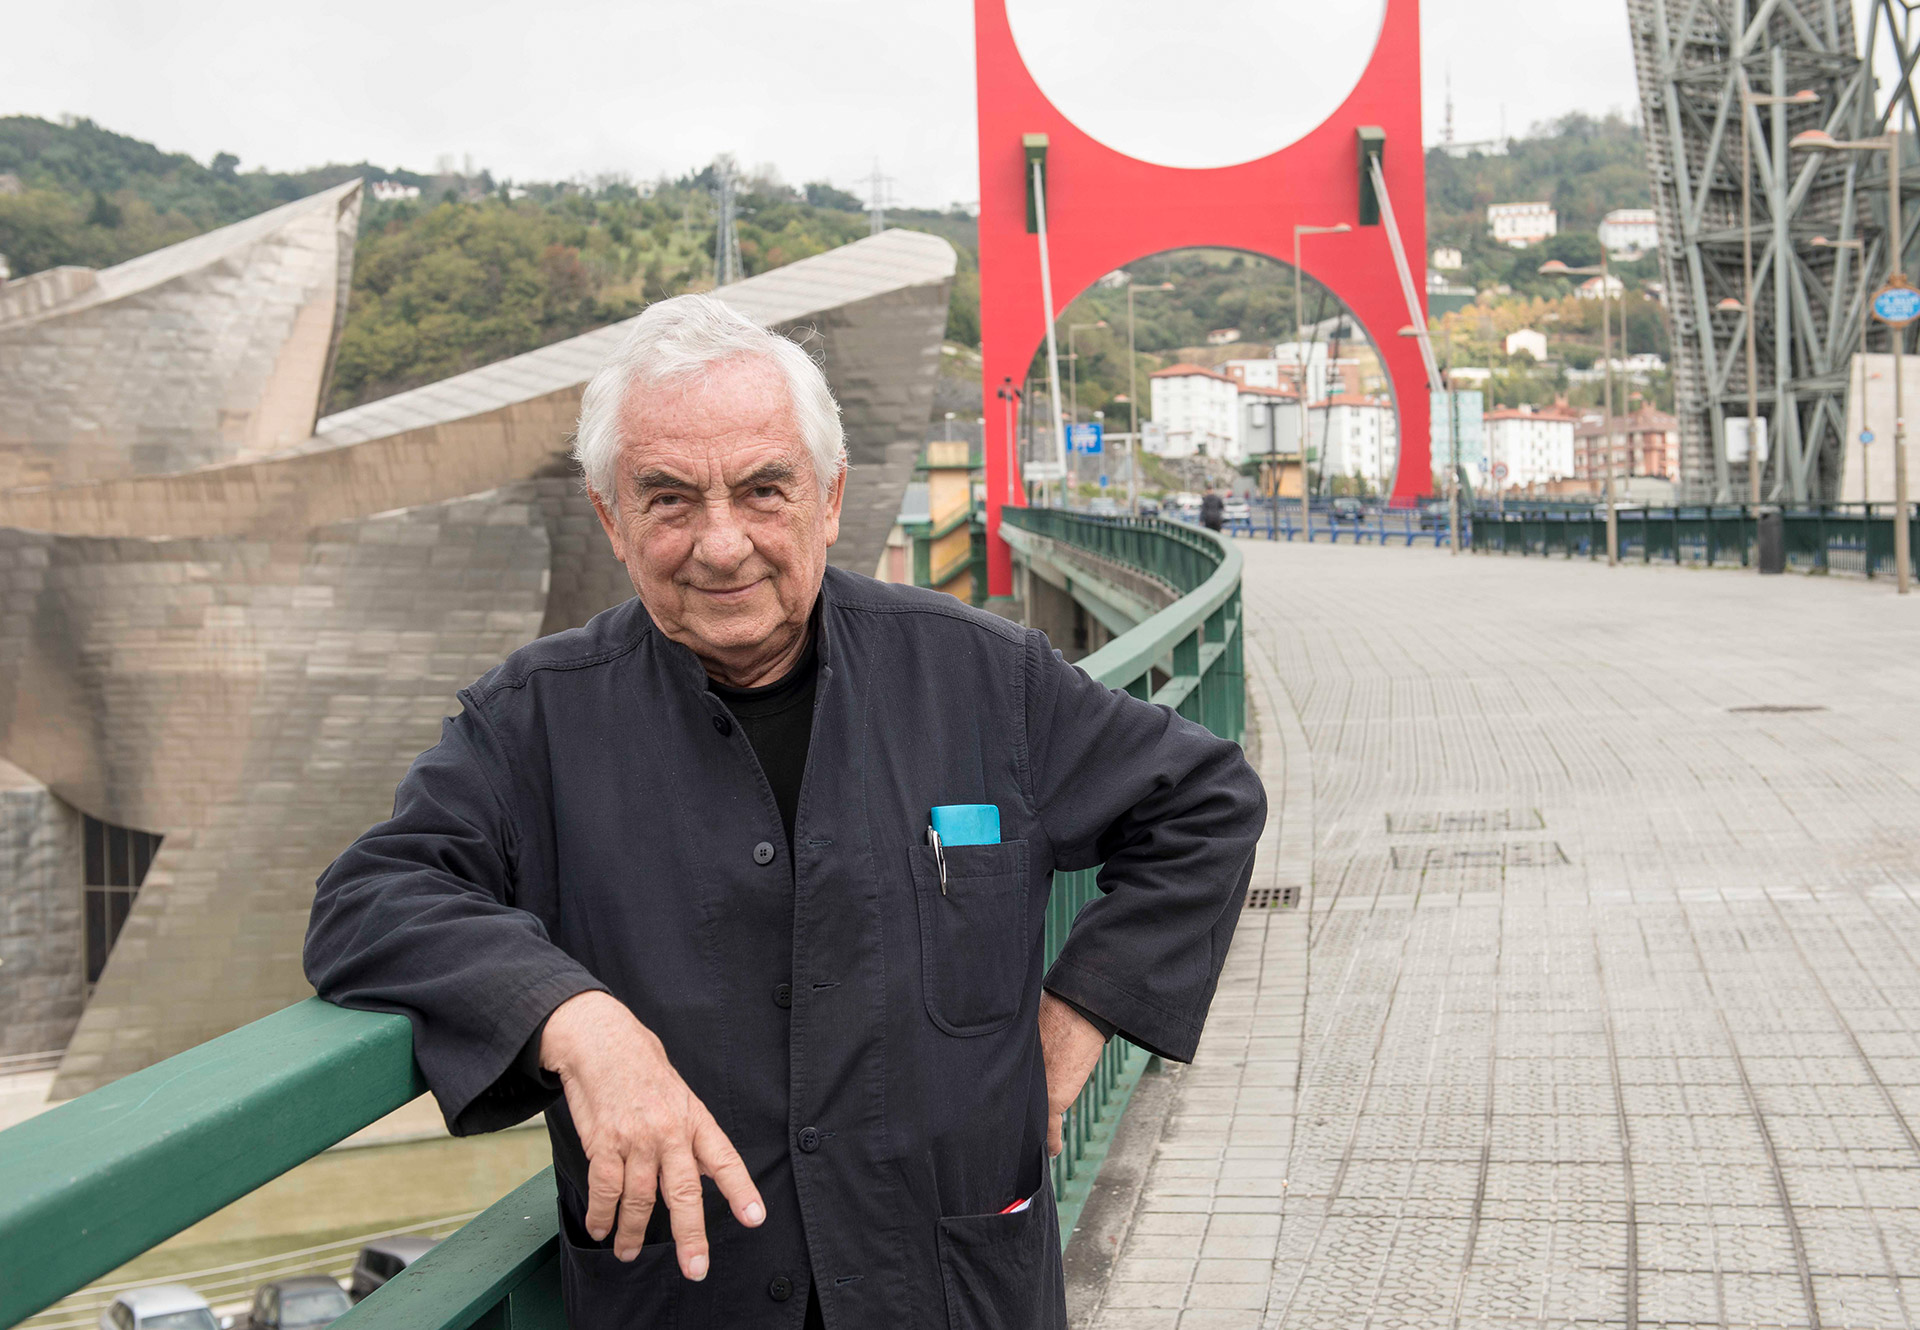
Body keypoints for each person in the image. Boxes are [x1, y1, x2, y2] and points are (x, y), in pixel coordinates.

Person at [304, 294, 1265, 1329]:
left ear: (830, 497)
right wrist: (574, 1021)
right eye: (669, 499)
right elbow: (372, 896)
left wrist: (1073, 1030)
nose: (723, 546)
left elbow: (1203, 800)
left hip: (949, 1290)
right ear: (609, 520)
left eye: (764, 489)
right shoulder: (535, 721)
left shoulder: (982, 678)